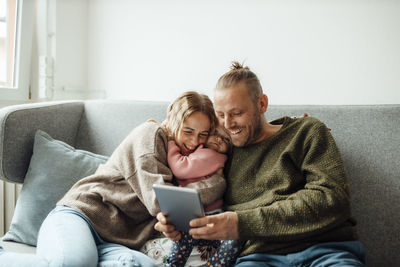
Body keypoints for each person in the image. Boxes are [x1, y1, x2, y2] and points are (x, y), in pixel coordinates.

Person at [155, 62, 366, 266]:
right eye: (221, 115)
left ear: (262, 104)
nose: (228, 124)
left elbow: (332, 199)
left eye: (237, 113)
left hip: (325, 250)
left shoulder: (306, 132)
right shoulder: (222, 151)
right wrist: (174, 222)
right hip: (257, 258)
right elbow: (193, 181)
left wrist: (242, 223)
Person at [0, 91, 226, 267]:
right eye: (188, 131)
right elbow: (160, 200)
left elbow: (172, 208)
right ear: (172, 122)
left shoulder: (184, 163)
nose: (195, 141)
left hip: (115, 242)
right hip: (82, 216)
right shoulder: (150, 134)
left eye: (203, 134)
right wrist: (217, 182)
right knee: (75, 263)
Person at [165, 125, 241, 267]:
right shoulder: (199, 151)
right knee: (182, 240)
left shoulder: (213, 155)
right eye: (216, 132)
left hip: (209, 217)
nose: (219, 139)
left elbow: (180, 168)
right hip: (198, 220)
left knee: (182, 241)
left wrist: (170, 142)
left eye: (226, 139)